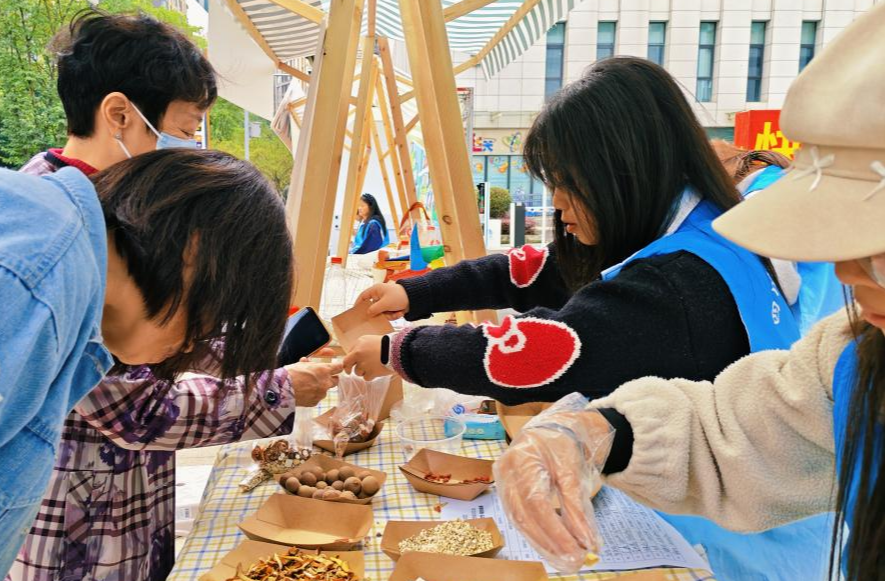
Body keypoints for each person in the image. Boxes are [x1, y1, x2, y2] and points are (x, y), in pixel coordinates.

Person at [344, 55, 832, 579]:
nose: (555, 202)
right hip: (712, 508)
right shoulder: (689, 223)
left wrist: (397, 349)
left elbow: (541, 351)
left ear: (623, 171)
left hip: (735, 547)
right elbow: (536, 268)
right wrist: (415, 293)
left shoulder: (677, 282)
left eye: (569, 181)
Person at [494, 7, 884, 579]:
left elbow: (560, 344)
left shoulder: (677, 275)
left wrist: (398, 347)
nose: (848, 271)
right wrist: (600, 431)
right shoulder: (855, 354)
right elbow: (741, 426)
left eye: (874, 245)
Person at [0, 148, 294, 579]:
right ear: (193, 252)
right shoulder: (28, 284)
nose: (189, 348)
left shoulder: (53, 258)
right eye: (210, 320)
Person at [8, 12, 339, 581]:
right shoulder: (54, 232)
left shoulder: (132, 212)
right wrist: (279, 389)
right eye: (185, 132)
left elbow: (170, 336)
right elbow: (133, 407)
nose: (188, 151)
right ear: (118, 115)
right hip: (71, 527)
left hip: (131, 502)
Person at [713, 140, 844, 332]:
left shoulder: (759, 202)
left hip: (809, 320)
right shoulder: (783, 180)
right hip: (839, 306)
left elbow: (782, 286)